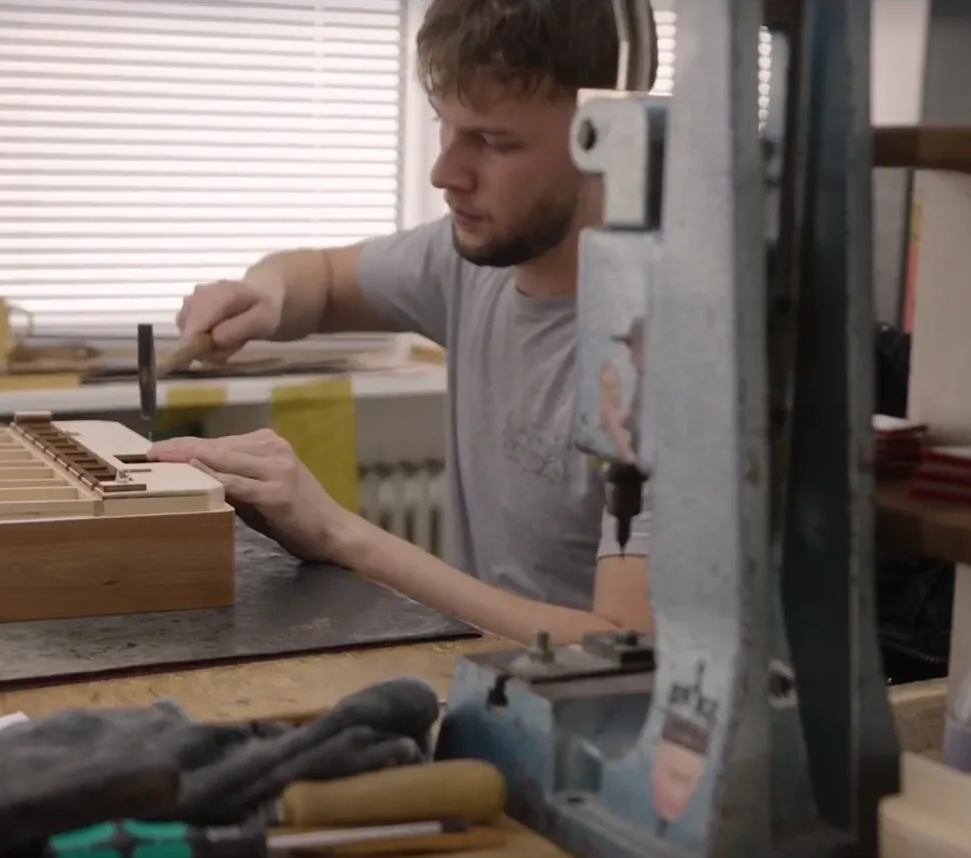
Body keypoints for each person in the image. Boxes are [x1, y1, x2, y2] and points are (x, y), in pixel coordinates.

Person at [147, 0, 654, 645]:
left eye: (494, 142)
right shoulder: (468, 259)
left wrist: (337, 533)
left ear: (608, 138)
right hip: (485, 679)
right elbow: (320, 278)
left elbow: (622, 650)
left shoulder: (660, 351)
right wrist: (265, 296)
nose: (446, 173)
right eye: (446, 125)